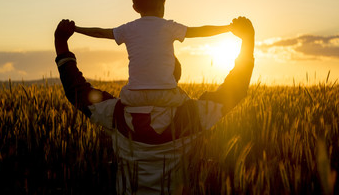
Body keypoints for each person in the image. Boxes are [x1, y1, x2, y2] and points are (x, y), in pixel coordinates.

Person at [54, 16, 255, 194]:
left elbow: (77, 91)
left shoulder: (116, 114)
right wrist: (248, 42)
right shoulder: (192, 115)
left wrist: (61, 43)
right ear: (175, 77)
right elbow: (235, 90)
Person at [72, 0, 242, 112]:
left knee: (120, 103)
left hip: (133, 96)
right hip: (166, 94)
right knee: (189, 108)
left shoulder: (128, 29)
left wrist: (76, 28)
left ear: (135, 7)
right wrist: (228, 28)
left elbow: (101, 32)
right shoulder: (168, 26)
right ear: (162, 4)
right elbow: (200, 31)